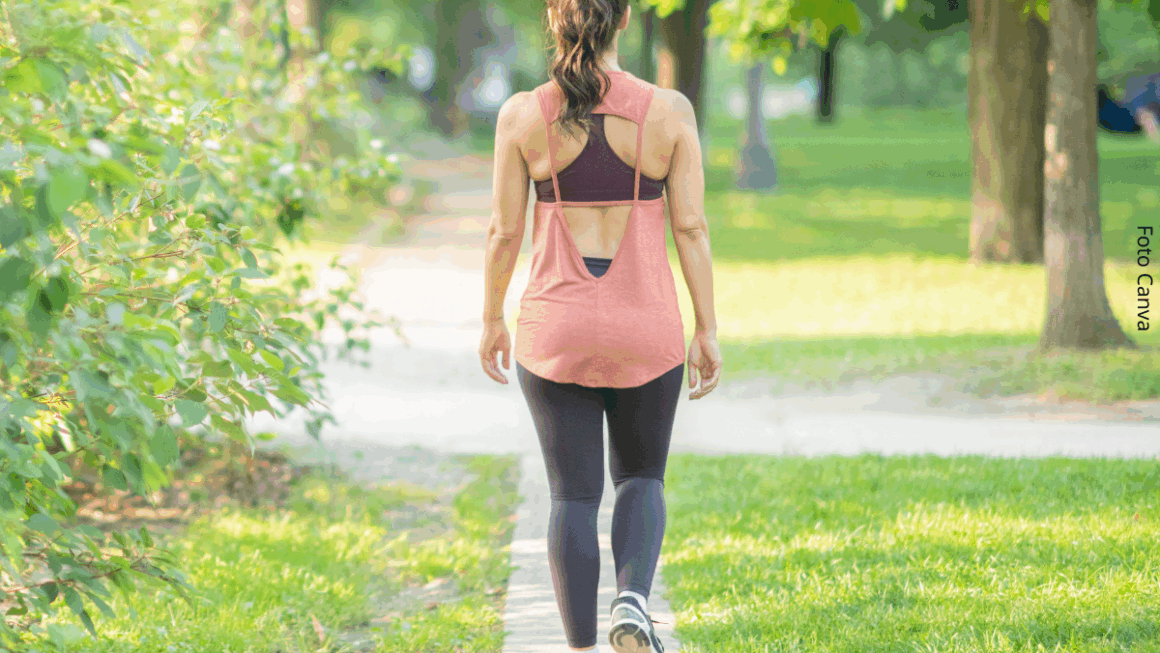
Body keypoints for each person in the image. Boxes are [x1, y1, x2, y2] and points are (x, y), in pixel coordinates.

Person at [478, 1, 722, 651]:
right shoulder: (668, 113)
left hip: (554, 331)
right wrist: (707, 328)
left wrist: (490, 319)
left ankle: (581, 645)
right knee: (641, 478)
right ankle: (632, 603)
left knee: (572, 496)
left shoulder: (523, 117)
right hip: (647, 327)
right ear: (625, 22)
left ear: (553, 24)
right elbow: (692, 227)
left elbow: (504, 232)